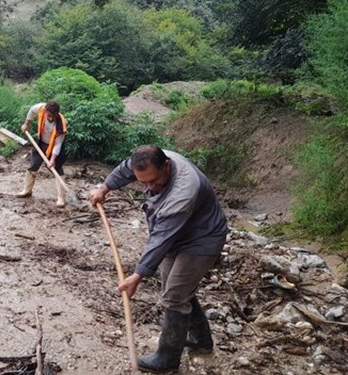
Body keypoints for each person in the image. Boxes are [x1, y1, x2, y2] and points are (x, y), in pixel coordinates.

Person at [88, 145, 228, 373]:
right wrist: (105, 187)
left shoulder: (184, 190)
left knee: (174, 297)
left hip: (202, 239)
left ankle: (167, 358)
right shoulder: (148, 163)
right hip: (177, 237)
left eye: (154, 181)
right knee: (177, 289)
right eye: (142, 182)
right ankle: (201, 339)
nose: (149, 188)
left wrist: (137, 275)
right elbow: (126, 169)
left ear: (167, 166)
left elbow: (161, 238)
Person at [15, 101, 68, 207]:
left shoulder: (61, 125)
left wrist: (52, 160)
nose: (51, 118)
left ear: (58, 113)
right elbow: (31, 110)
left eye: (54, 116)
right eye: (49, 115)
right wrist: (27, 124)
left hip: (54, 147)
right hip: (40, 143)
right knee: (33, 166)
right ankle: (27, 190)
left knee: (57, 169)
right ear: (46, 111)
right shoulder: (40, 108)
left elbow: (57, 145)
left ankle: (61, 198)